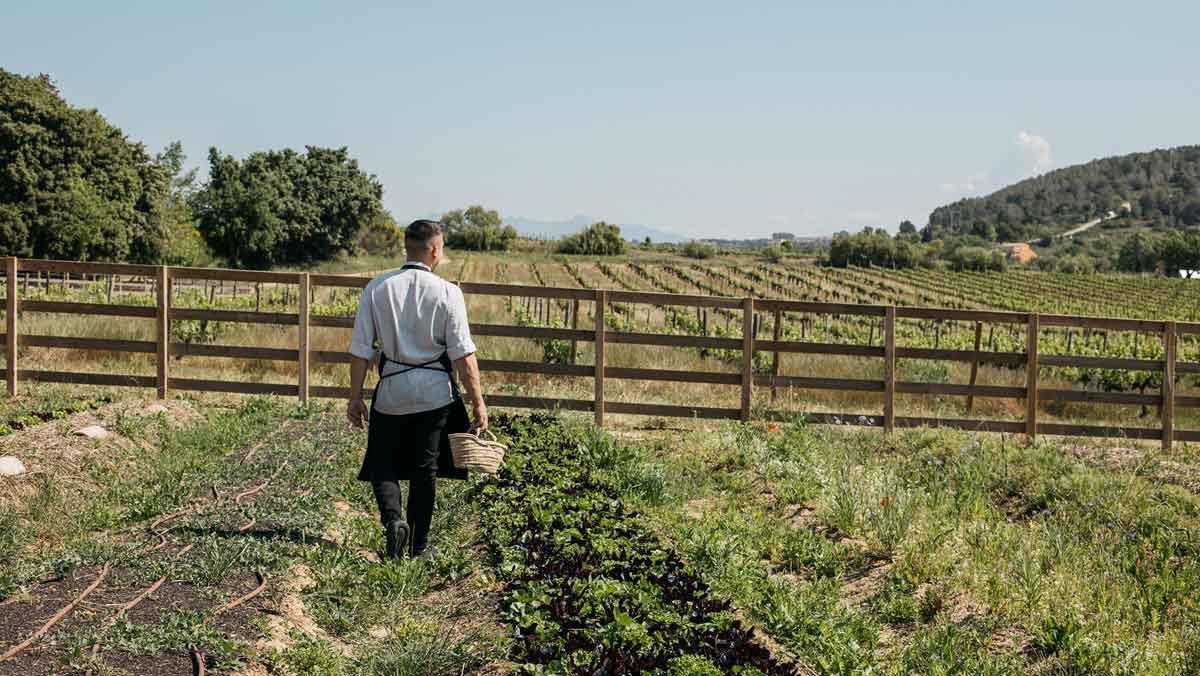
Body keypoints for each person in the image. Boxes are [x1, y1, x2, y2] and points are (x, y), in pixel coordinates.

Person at [346, 219, 487, 560]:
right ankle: (417, 547)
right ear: (435, 250)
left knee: (382, 463)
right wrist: (478, 402)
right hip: (435, 393)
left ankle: (393, 521)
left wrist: (355, 397)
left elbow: (361, 349)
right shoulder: (448, 292)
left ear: (406, 247)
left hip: (391, 391)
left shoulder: (377, 288)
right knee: (426, 469)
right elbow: (464, 356)